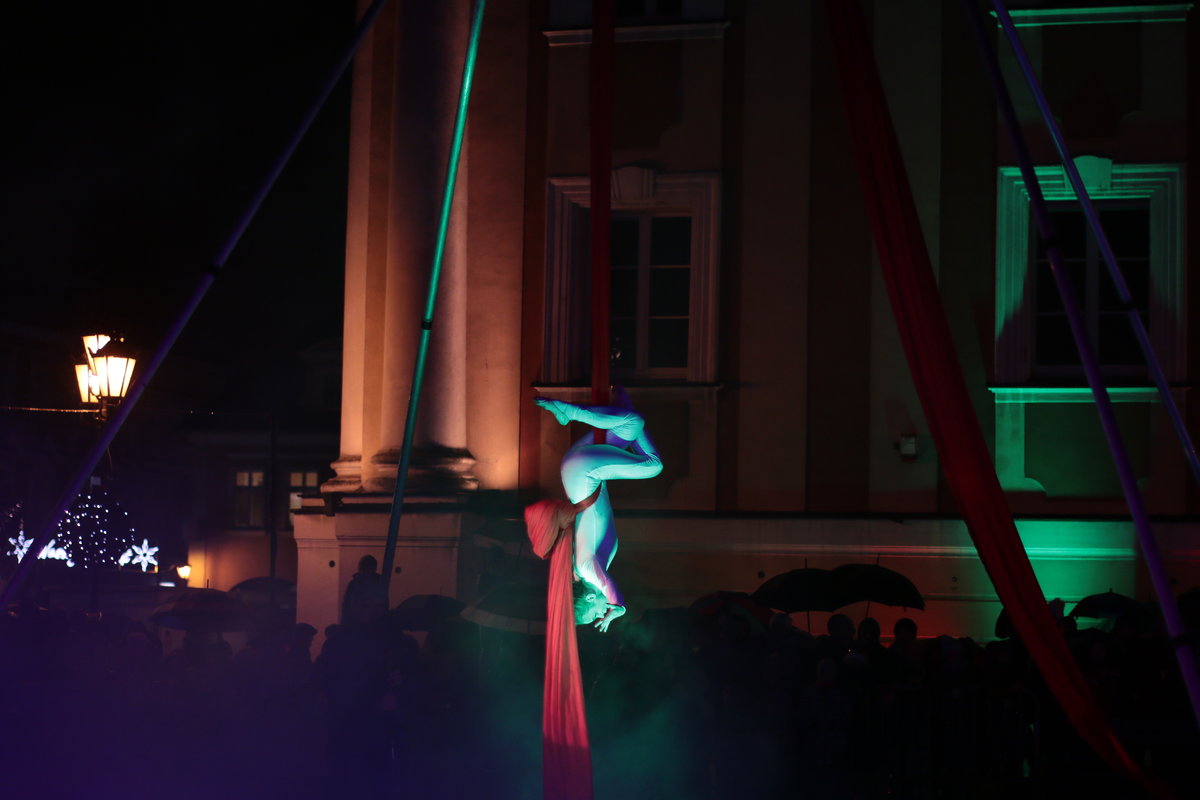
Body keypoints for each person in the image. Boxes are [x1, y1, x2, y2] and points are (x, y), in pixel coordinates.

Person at [534, 389, 662, 632]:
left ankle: (569, 411)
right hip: (579, 469)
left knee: (652, 464)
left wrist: (618, 606)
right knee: (631, 425)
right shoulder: (579, 569)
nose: (602, 613)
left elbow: (606, 586)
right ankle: (621, 397)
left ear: (590, 598)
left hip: (586, 472)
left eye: (595, 612)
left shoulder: (586, 570)